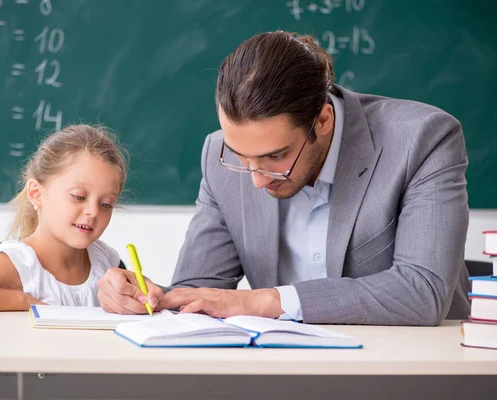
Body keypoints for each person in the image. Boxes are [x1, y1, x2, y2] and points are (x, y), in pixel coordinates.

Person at [97, 31, 471, 325]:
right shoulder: (216, 155)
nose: (257, 180)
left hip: (407, 372)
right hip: (283, 372)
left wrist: (268, 300)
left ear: (322, 121)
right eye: (241, 156)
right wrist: (151, 297)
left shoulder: (422, 140)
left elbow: (424, 291)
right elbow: (199, 290)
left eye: (275, 157)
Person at [0, 124, 128, 311]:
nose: (93, 212)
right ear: (36, 194)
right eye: (78, 196)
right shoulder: (22, 264)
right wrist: (25, 301)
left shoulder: (104, 258)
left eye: (106, 204)